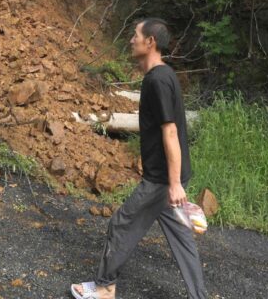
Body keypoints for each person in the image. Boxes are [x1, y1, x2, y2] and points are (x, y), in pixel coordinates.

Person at [71, 18, 208, 299]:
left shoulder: (158, 80)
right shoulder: (164, 75)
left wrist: (173, 184)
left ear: (150, 42)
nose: (131, 40)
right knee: (181, 237)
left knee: (121, 223)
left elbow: (170, 132)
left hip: (161, 180)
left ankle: (104, 287)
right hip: (169, 177)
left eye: (136, 35)